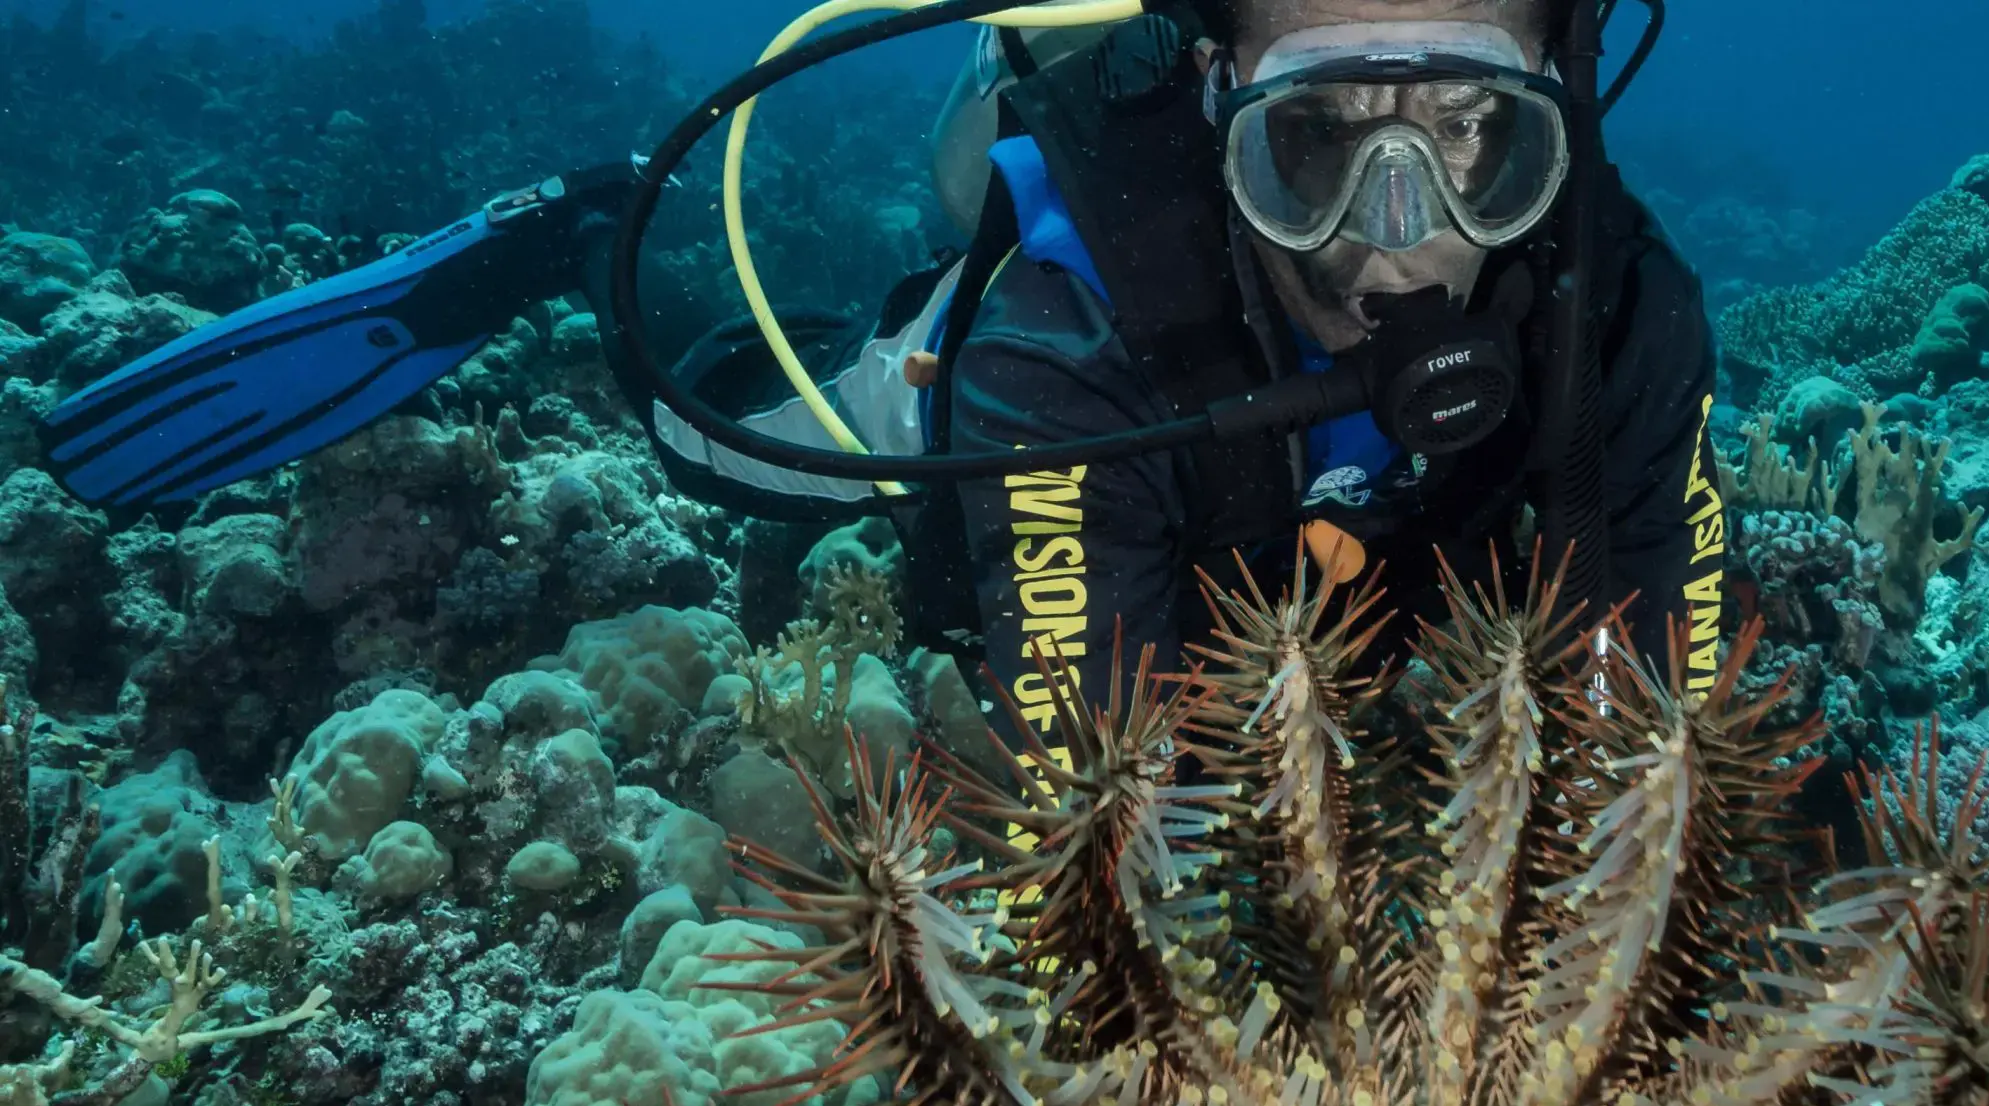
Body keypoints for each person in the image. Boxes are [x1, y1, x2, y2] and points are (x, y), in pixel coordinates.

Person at [39, 0, 1729, 762]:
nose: (1395, 243)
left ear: (1562, 106)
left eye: (1473, 135)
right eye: (1319, 141)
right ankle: (582, 237)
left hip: (1313, 547)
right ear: (1220, 97)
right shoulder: (1066, 341)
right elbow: (1102, 787)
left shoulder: (1627, 309)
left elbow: (1667, 723)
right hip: (986, 396)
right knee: (721, 445)